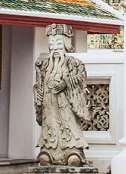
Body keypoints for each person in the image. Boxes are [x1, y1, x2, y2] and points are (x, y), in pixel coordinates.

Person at [34, 23, 92, 166]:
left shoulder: (74, 63)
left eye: (59, 43)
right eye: (52, 44)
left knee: (69, 123)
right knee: (50, 125)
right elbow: (38, 84)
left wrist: (66, 83)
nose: (55, 48)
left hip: (66, 102)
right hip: (49, 102)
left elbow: (80, 80)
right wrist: (39, 92)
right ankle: (48, 151)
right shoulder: (44, 65)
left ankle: (73, 151)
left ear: (66, 43)